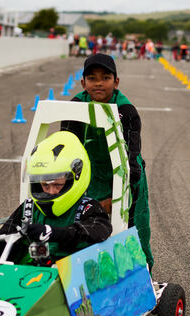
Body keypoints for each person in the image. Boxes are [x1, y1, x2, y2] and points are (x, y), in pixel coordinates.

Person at [61, 53, 154, 271]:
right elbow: (66, 151)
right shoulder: (74, 107)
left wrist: (117, 198)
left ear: (116, 81)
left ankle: (142, 275)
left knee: (132, 230)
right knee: (84, 228)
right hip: (89, 174)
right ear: (83, 83)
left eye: (105, 77)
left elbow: (132, 161)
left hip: (126, 174)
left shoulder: (126, 111)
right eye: (92, 78)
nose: (99, 83)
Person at [0, 131, 112, 265]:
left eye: (57, 184)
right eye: (44, 185)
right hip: (31, 276)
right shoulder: (30, 208)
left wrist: (52, 232)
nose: (50, 192)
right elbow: (8, 235)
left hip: (69, 276)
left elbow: (101, 230)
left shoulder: (87, 207)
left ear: (76, 177)